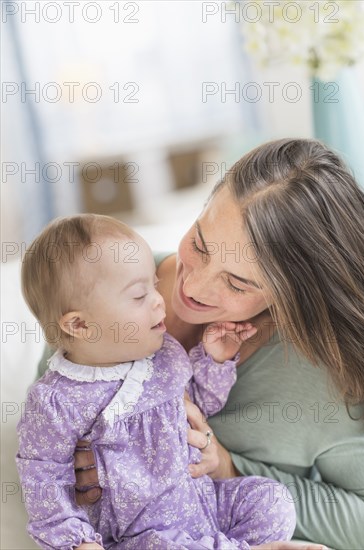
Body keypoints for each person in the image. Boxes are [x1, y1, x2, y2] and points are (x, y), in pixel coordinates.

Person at [67, 138, 364, 550]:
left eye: (237, 282)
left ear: (290, 296)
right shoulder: (107, 286)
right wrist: (75, 466)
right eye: (199, 243)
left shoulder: (325, 380)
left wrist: (229, 469)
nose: (192, 287)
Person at [17, 214, 297, 550]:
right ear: (79, 326)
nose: (158, 299)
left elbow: (198, 409)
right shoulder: (55, 401)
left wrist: (215, 361)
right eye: (139, 296)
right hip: (140, 536)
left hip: (202, 505)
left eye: (153, 284)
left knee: (271, 502)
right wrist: (77, 541)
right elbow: (44, 481)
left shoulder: (164, 355)